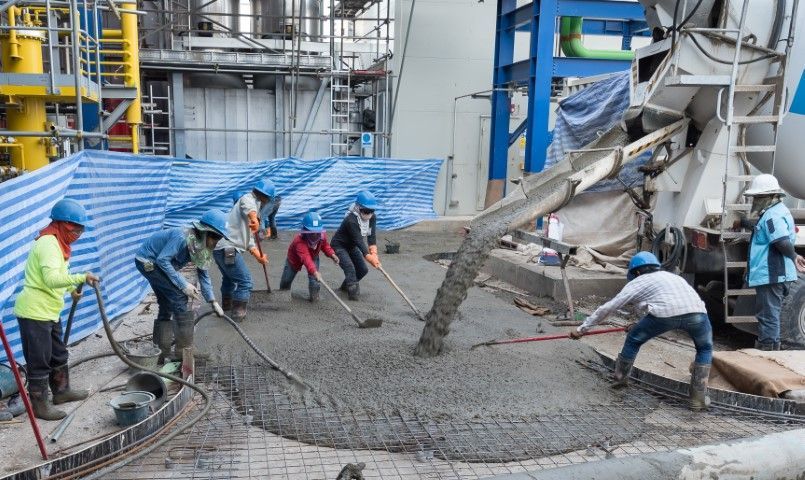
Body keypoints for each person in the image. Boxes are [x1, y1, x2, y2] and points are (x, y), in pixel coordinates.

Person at [570, 252, 714, 411]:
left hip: (663, 315)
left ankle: (620, 380)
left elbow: (609, 307)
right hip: (698, 314)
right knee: (705, 348)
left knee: (633, 340)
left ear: (637, 272)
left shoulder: (638, 282)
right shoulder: (673, 277)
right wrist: (640, 324)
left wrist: (582, 329)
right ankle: (698, 399)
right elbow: (665, 303)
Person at [13, 199, 100, 420]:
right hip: (34, 312)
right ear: (61, 224)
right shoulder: (48, 244)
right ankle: (40, 407)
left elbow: (58, 274)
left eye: (80, 230)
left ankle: (61, 392)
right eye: (74, 228)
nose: (77, 234)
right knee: (40, 360)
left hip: (49, 311)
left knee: (58, 353)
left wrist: (72, 287)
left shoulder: (59, 244)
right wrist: (81, 277)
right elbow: (51, 279)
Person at [135, 209, 229, 362]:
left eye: (219, 238)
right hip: (148, 261)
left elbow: (203, 274)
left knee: (166, 303)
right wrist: (183, 284)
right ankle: (184, 351)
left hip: (159, 262)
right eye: (215, 236)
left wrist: (213, 301)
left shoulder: (201, 246)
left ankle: (160, 351)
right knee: (179, 296)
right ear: (204, 232)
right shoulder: (181, 237)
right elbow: (162, 260)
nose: (215, 241)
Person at [738, 174, 805, 350]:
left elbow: (780, 241)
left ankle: (767, 352)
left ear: (769, 197)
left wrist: (794, 256)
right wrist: (744, 222)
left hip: (772, 274)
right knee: (770, 314)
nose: (755, 201)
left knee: (768, 316)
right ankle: (771, 350)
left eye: (758, 197)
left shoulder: (772, 216)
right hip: (777, 274)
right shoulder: (777, 211)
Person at [214, 179, 274, 320]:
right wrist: (254, 218)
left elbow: (249, 239)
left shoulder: (254, 206)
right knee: (245, 281)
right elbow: (248, 206)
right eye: (268, 199)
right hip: (228, 248)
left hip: (220, 249)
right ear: (264, 196)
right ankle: (238, 312)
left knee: (229, 278)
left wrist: (258, 255)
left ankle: (227, 305)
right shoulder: (247, 199)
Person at [330, 191, 381, 301]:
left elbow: (371, 235)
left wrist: (374, 253)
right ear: (358, 207)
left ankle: (344, 288)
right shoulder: (351, 220)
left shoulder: (372, 217)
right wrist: (368, 257)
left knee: (362, 270)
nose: (368, 214)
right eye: (366, 211)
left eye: (371, 211)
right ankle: (353, 297)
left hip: (352, 246)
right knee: (350, 268)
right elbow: (359, 240)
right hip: (339, 245)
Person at [279, 212, 340, 302]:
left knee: (314, 280)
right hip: (294, 259)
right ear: (305, 231)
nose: (315, 235)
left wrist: (332, 255)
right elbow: (306, 258)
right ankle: (282, 296)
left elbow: (325, 246)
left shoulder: (322, 236)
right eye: (312, 232)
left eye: (317, 232)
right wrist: (315, 271)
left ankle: (314, 297)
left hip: (314, 256)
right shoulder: (299, 241)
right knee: (286, 280)